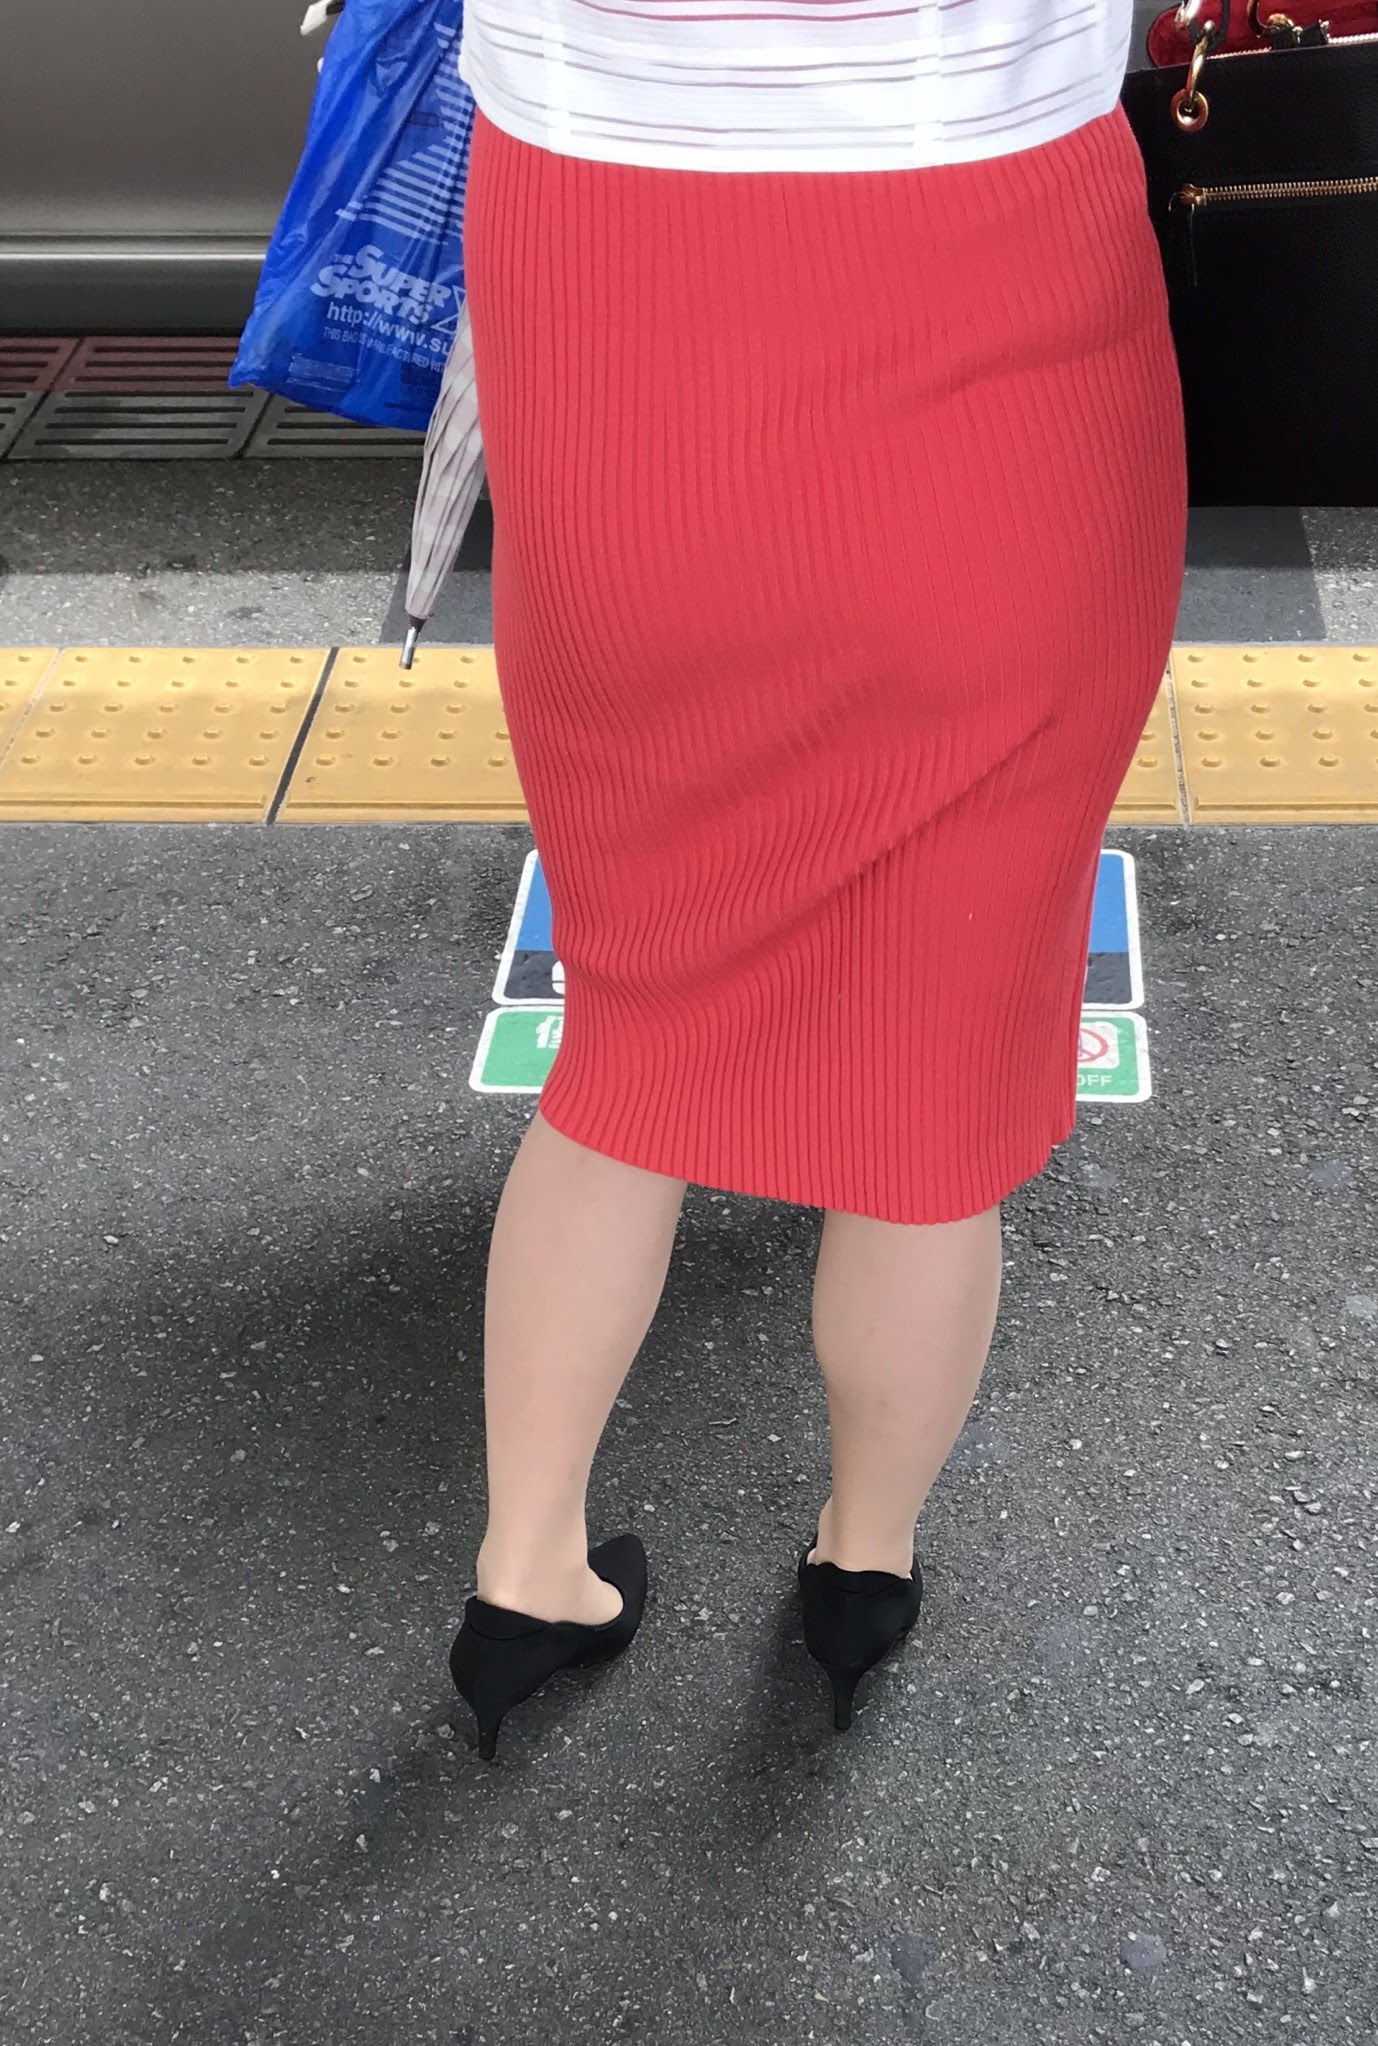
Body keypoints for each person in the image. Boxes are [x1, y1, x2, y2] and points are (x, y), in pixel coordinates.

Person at [446, 0, 1188, 1758]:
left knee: (633, 1025)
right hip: (995, 270)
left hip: (598, 275)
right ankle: (862, 1562)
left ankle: (523, 1574)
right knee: (935, 1073)